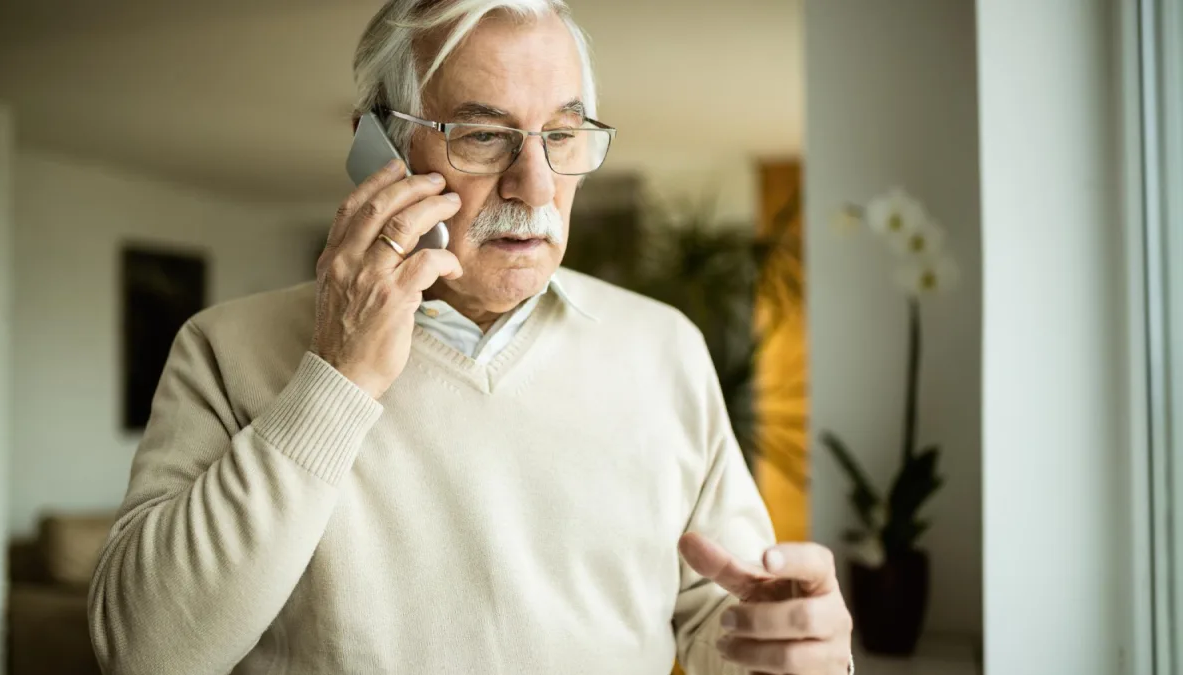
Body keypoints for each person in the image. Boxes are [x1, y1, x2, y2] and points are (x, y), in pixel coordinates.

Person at [87, 1, 854, 673]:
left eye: (562, 134)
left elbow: (731, 627)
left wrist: (792, 649)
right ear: (375, 149)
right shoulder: (223, 348)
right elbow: (145, 653)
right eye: (484, 136)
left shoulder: (665, 348)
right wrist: (335, 377)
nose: (537, 186)